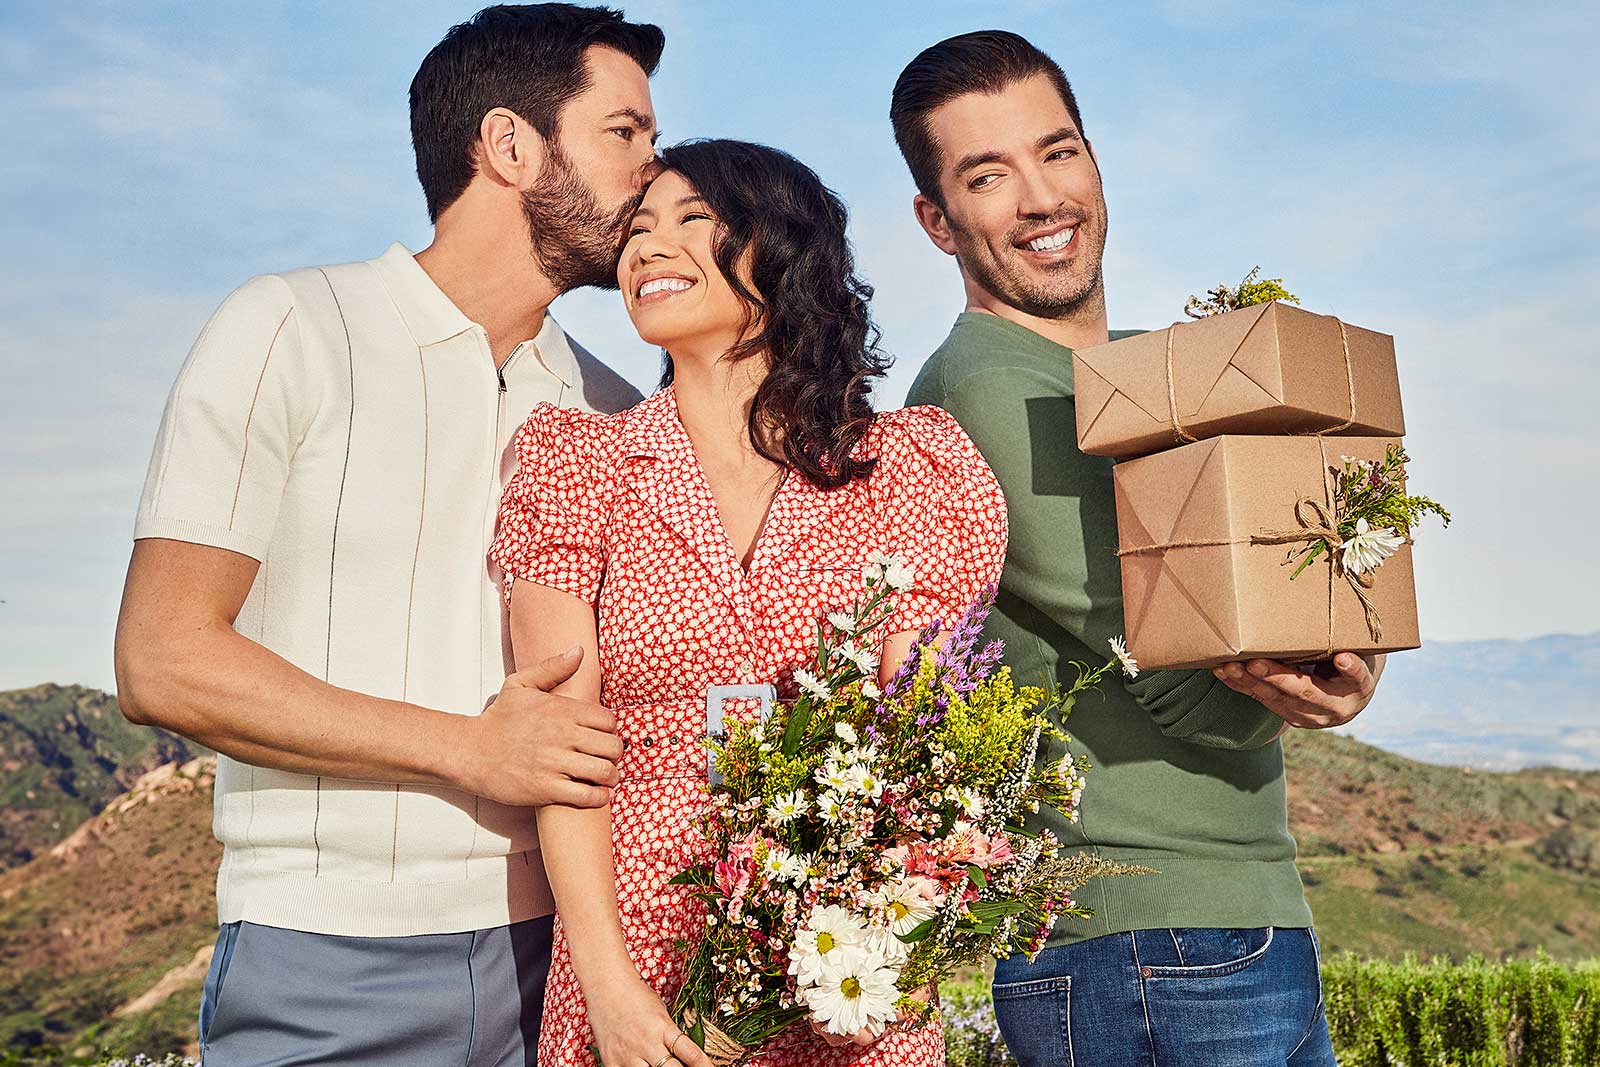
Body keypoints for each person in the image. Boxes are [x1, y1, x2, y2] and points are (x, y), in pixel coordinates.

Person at [112, 6, 663, 1063]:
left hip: (559, 965)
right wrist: (471, 748)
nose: (655, 166)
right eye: (623, 133)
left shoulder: (615, 405)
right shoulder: (290, 327)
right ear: (510, 146)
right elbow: (161, 658)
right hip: (324, 963)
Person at [895, 30, 1386, 1067]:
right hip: (1141, 939)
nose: (1039, 198)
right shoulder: (990, 390)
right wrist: (1305, 656)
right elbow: (1178, 665)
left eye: (1057, 152)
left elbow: (1248, 640)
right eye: (988, 176)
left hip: (1222, 920)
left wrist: (1336, 653)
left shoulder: (1138, 381)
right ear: (937, 223)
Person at [490, 139, 1008, 1067]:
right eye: (638, 229)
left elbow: (924, 746)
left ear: (785, 250)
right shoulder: (577, 466)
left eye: (694, 220)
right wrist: (608, 990)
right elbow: (561, 752)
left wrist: (891, 930)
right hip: (643, 955)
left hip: (844, 962)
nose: (649, 247)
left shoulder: (910, 470)